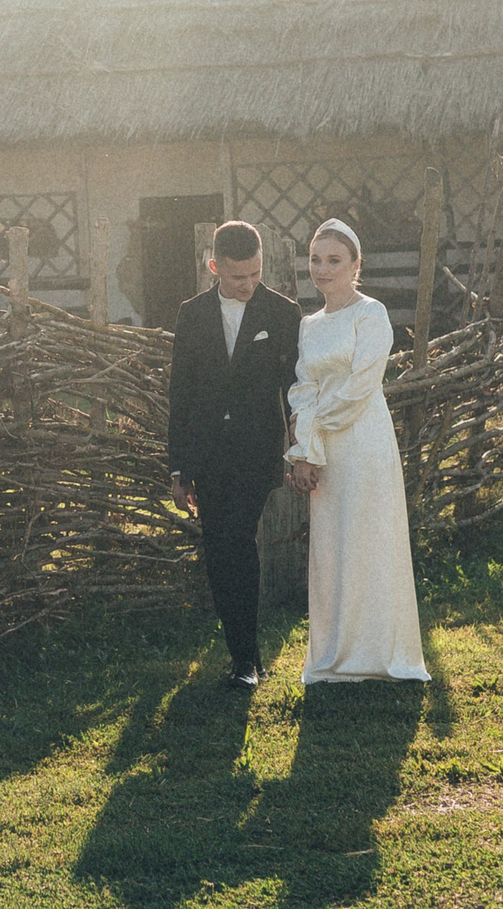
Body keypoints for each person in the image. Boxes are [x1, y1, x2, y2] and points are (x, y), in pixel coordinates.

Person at [283, 218, 430, 684]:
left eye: (334, 260)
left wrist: (313, 434)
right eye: (315, 259)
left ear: (355, 265)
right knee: (332, 545)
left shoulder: (373, 314)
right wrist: (305, 448)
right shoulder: (308, 324)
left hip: (362, 440)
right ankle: (334, 655)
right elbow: (303, 387)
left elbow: (360, 385)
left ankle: (379, 654)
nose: (322, 269)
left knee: (370, 538)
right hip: (322, 445)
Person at [166, 220, 303, 688]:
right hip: (207, 455)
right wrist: (179, 467)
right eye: (237, 277)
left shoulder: (283, 313)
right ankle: (240, 653)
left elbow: (294, 390)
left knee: (238, 544)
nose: (248, 285)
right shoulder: (191, 314)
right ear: (214, 267)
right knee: (218, 551)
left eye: (255, 274)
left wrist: (300, 447)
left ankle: (246, 661)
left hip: (254, 452)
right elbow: (180, 393)